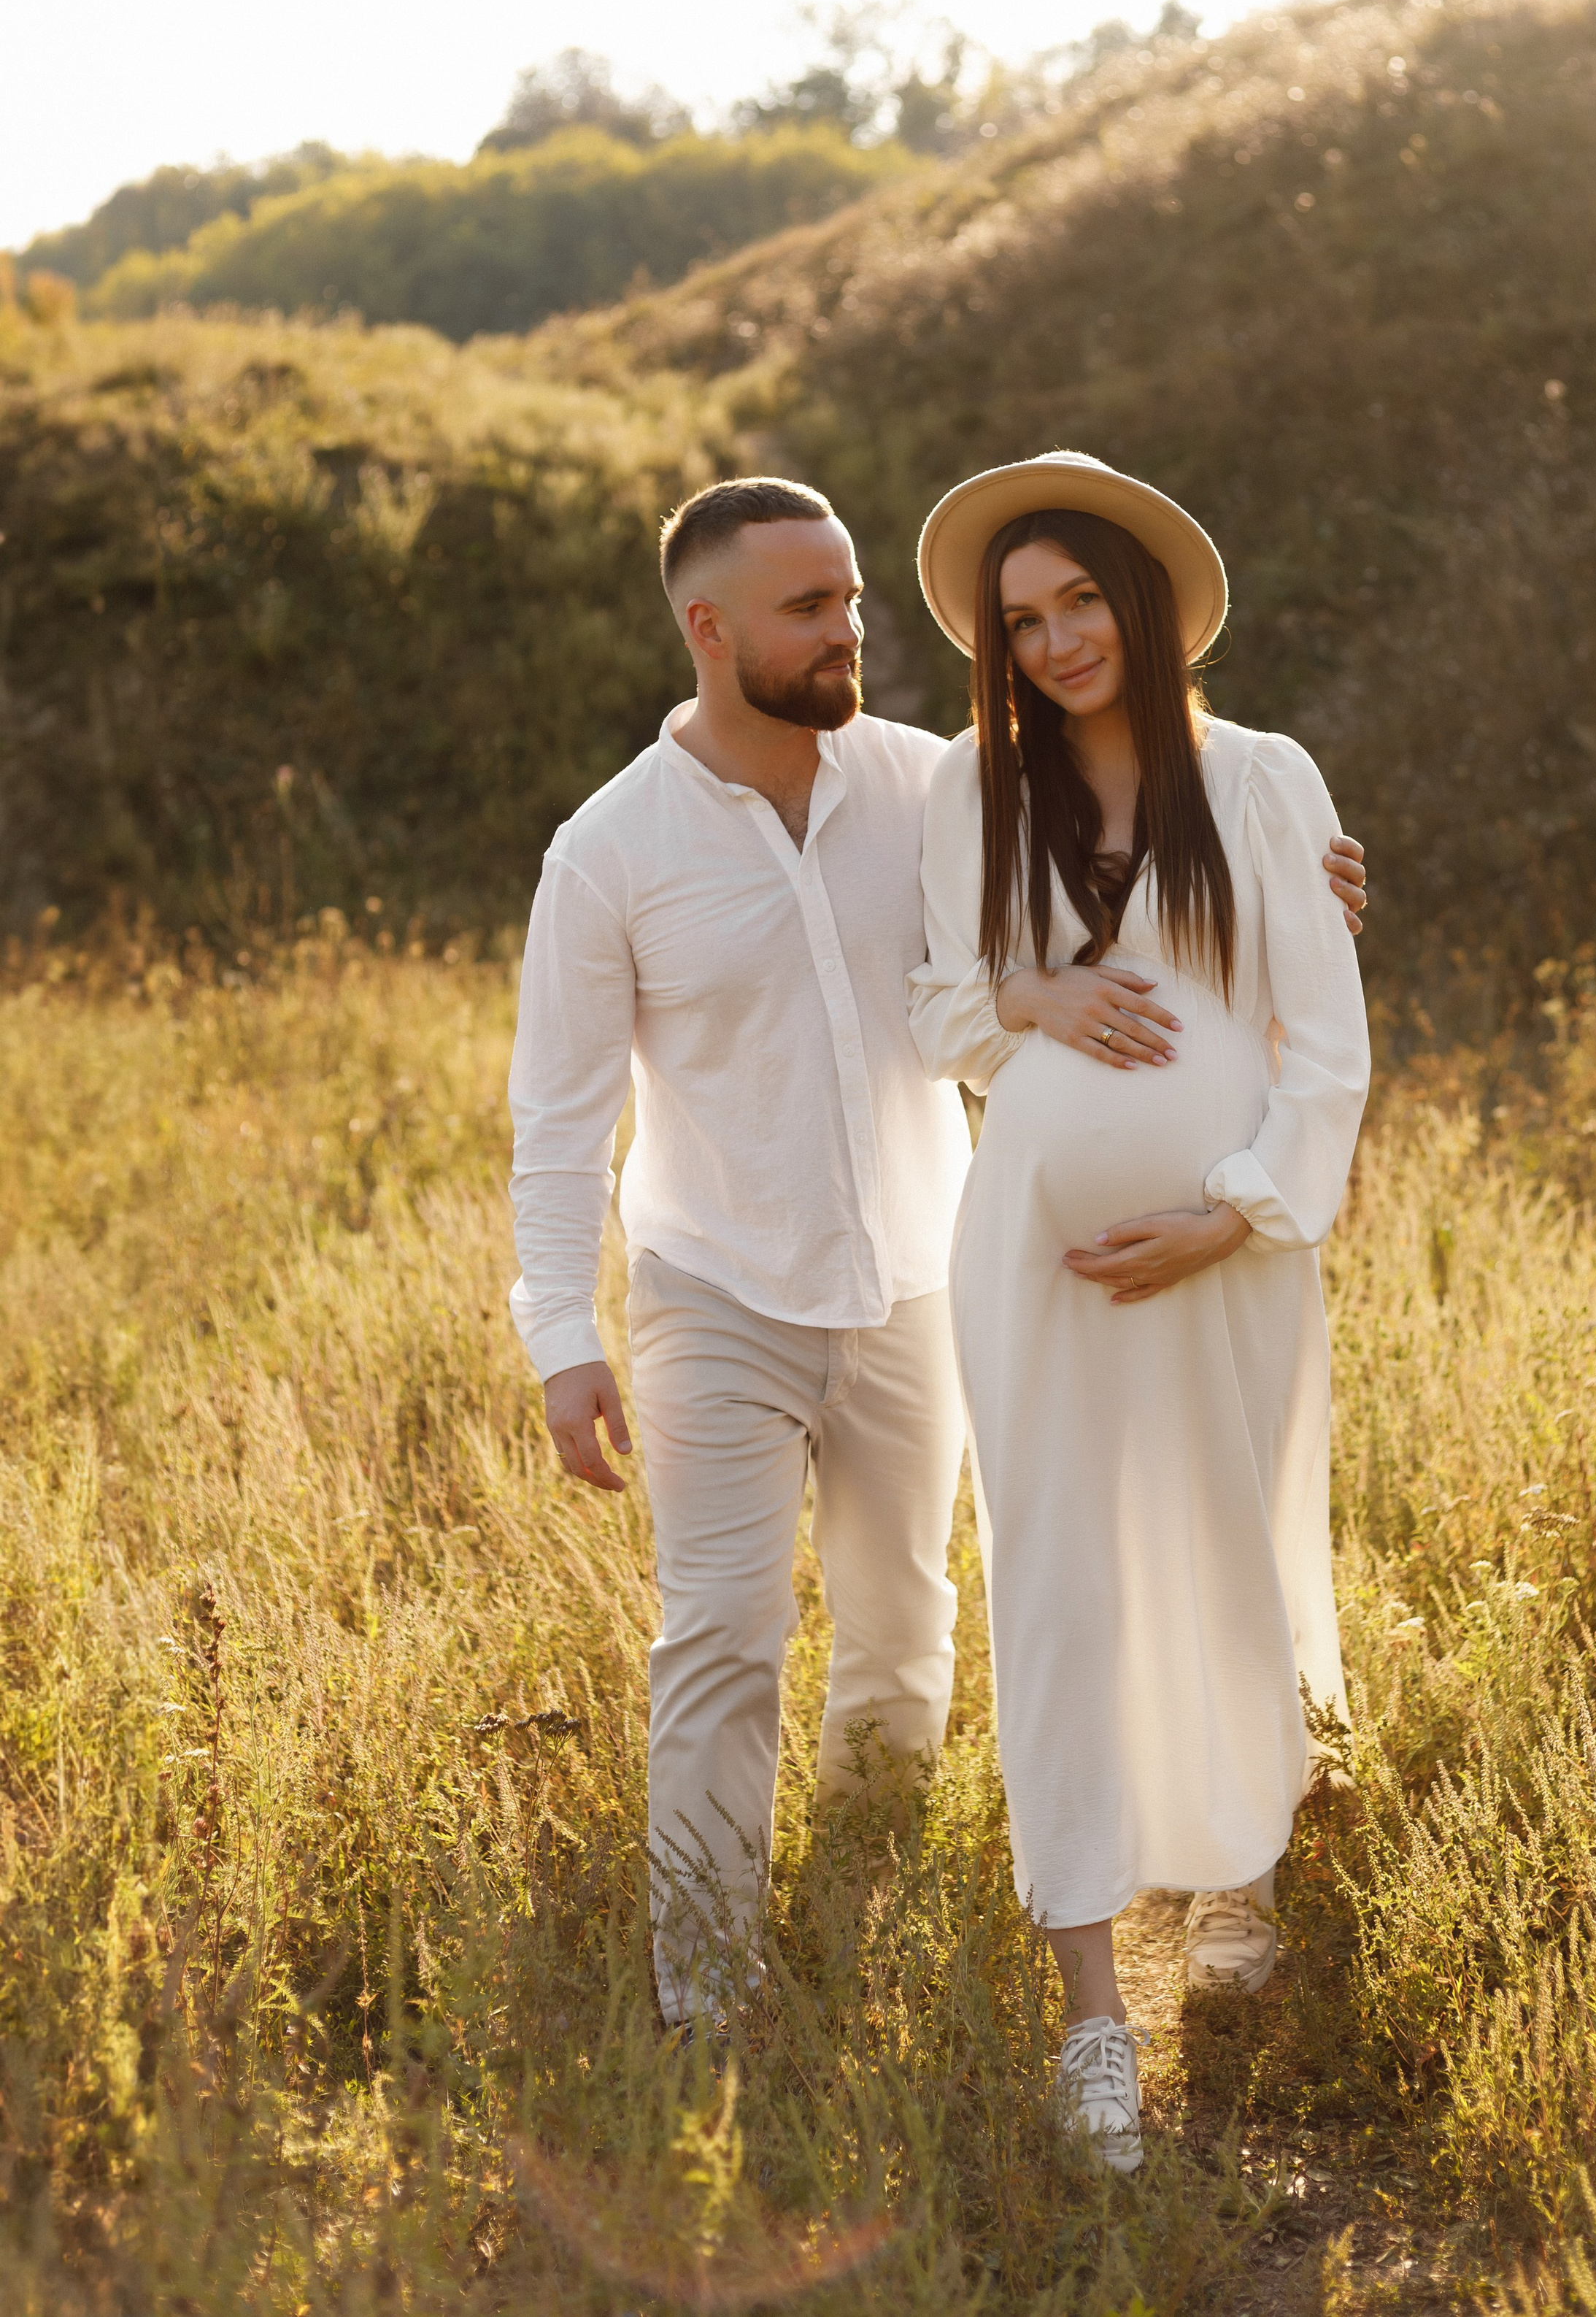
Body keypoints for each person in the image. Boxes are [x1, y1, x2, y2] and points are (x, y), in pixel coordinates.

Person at [506, 473, 1368, 2029]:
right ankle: (708, 1998)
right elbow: (559, 1120)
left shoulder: (924, 780)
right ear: (709, 628)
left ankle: (864, 1917)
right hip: (723, 1283)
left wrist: (1310, 873)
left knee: (910, 1639)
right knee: (724, 1634)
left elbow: (1138, 900)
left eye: (851, 596)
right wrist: (563, 1335)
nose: (850, 630)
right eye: (809, 607)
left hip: (915, 1276)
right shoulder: (613, 849)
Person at [906, 452, 1371, 2175]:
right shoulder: (971, 784)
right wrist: (1025, 991)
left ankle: (1238, 1869)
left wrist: (1228, 1211)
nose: (1052, 641)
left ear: (1143, 599)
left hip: (1230, 1241)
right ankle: (1092, 2013)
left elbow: (1323, 1045)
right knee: (1055, 1580)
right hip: (1032, 1253)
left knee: (1227, 1541)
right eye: (1021, 620)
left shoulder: (1260, 778)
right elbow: (941, 1014)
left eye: (1079, 599)